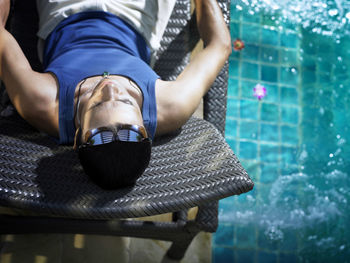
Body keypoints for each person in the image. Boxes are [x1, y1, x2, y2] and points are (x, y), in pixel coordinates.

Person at [0, 0, 231, 189]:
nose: (110, 86)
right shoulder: (171, 105)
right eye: (127, 99)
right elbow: (219, 45)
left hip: (65, 8)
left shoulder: (42, 100)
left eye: (95, 102)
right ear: (145, 127)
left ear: (78, 135)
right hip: (136, 12)